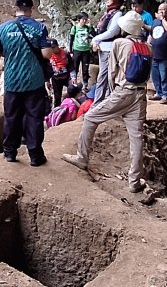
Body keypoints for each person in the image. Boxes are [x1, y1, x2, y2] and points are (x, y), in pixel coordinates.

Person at [62, 12, 151, 192]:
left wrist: (112, 94)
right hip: (140, 95)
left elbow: (111, 72)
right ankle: (134, 181)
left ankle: (82, 158)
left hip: (123, 92)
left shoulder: (120, 43)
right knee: (136, 137)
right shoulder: (148, 47)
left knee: (90, 118)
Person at [0, 0, 53, 166]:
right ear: (31, 9)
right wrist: (53, 47)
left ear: (15, 9)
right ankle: (35, 155)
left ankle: (10, 152)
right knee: (34, 118)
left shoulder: (3, 29)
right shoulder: (39, 28)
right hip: (34, 81)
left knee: (11, 117)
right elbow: (46, 54)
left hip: (12, 81)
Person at [90, 0, 125, 100]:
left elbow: (112, 32)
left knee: (104, 76)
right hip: (103, 47)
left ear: (116, 0)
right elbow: (101, 31)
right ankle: (103, 99)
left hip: (109, 49)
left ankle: (99, 102)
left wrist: (95, 39)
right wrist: (96, 42)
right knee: (104, 75)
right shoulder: (108, 13)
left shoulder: (117, 14)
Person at [149, 2, 167, 104]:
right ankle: (158, 93)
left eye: (164, 9)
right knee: (155, 75)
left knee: (164, 75)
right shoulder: (154, 22)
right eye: (160, 9)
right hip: (154, 53)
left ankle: (166, 95)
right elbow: (151, 34)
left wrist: (162, 20)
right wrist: (147, 46)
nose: (161, 11)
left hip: (165, 54)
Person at [67, 12, 93, 84]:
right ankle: (73, 83)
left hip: (86, 50)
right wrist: (71, 51)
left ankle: (85, 84)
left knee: (85, 69)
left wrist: (91, 26)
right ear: (79, 19)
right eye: (83, 19)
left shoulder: (88, 28)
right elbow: (71, 40)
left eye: (86, 19)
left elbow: (94, 35)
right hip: (77, 50)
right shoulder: (75, 28)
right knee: (75, 67)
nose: (84, 21)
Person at [46, 39, 72, 105]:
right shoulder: (48, 56)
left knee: (72, 90)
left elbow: (71, 65)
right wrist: (48, 81)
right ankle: (57, 112)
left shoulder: (65, 53)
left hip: (67, 77)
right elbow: (47, 69)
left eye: (53, 47)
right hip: (56, 79)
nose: (52, 49)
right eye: (51, 48)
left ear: (57, 46)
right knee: (57, 98)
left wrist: (73, 77)